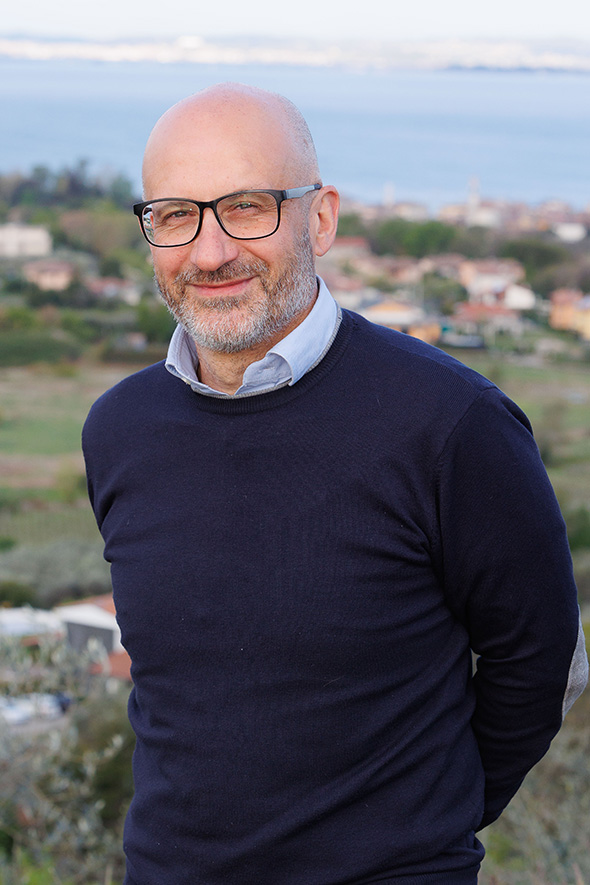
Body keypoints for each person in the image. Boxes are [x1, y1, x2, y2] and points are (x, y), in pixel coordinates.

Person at [83, 83, 588, 885]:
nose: (210, 252)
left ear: (319, 219)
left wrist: (421, 827)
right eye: (176, 215)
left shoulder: (453, 423)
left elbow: (543, 662)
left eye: (247, 207)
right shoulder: (119, 430)